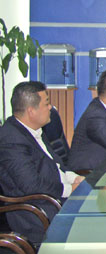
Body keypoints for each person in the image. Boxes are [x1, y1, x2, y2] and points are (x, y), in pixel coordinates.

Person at [0, 81, 84, 244]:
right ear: (31, 111)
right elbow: (31, 185)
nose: (51, 107)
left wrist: (74, 178)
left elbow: (56, 165)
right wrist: (69, 189)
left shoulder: (34, 130)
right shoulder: (11, 139)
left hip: (53, 199)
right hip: (36, 211)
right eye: (46, 103)